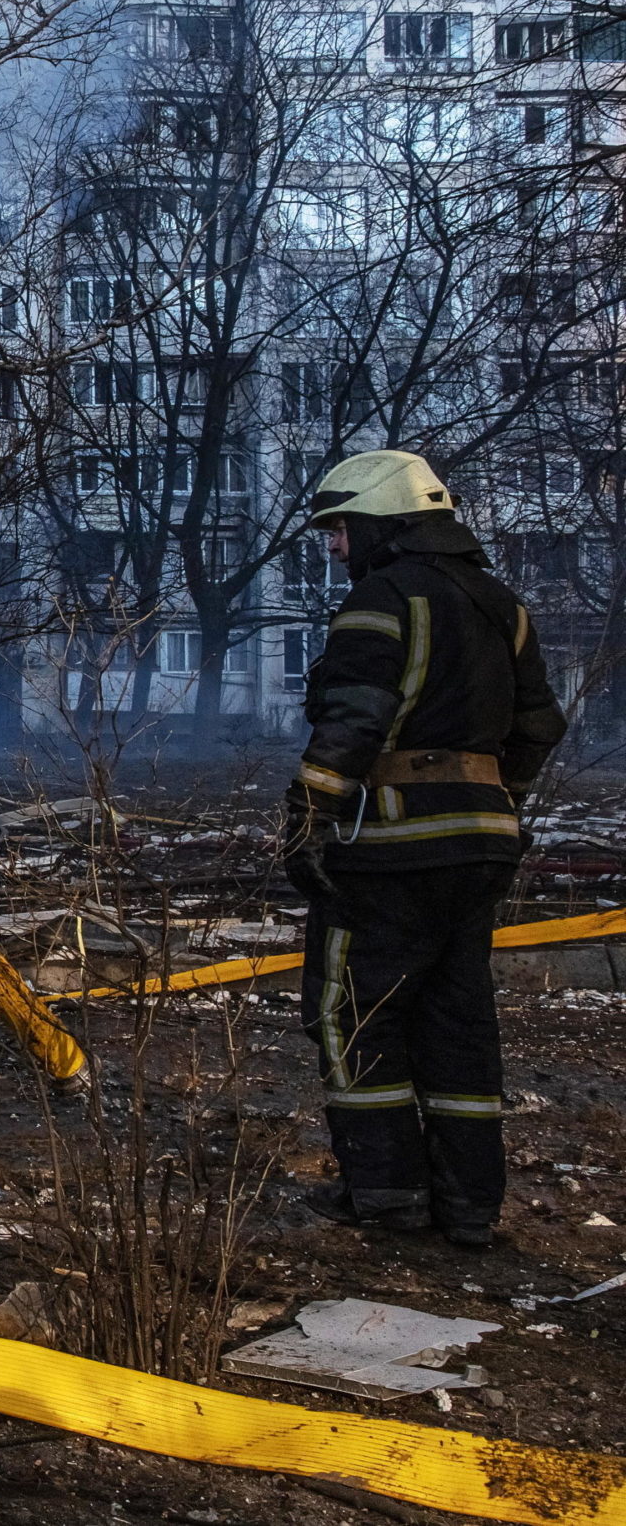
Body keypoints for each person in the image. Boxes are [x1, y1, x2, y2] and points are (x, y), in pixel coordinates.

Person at [284, 449, 567, 1250]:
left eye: (339, 529)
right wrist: (488, 796)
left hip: (389, 847)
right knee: (459, 1019)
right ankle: (470, 1206)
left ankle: (385, 1191)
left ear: (383, 521)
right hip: (482, 847)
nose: (336, 548)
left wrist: (307, 818)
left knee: (353, 1010)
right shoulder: (500, 604)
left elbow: (354, 720)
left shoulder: (387, 597)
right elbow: (541, 723)